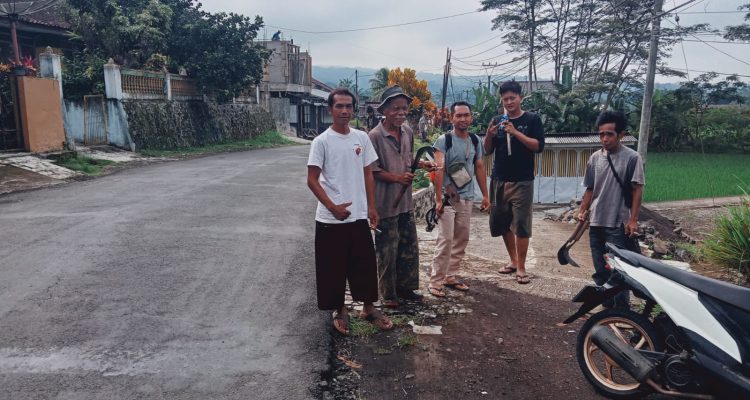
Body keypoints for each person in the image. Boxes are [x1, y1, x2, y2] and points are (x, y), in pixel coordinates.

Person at [307, 87, 393, 335]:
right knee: (332, 267)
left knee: (364, 264)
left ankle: (369, 308)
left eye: (348, 106)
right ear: (330, 109)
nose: (344, 111)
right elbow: (312, 180)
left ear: (354, 109)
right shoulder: (321, 141)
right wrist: (332, 207)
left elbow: (368, 174)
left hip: (357, 216)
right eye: (339, 106)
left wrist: (371, 207)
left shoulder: (361, 138)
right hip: (330, 218)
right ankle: (339, 309)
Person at [368, 85, 435, 308]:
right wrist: (397, 178)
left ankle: (406, 288)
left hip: (405, 202)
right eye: (395, 108)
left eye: (404, 108)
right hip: (385, 203)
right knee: (387, 250)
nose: (401, 113)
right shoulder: (375, 136)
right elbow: (372, 170)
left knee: (408, 247)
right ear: (384, 110)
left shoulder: (407, 131)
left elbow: (407, 159)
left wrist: (422, 164)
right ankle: (388, 294)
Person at [577, 110, 645, 309]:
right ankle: (607, 309)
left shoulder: (632, 158)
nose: (604, 139)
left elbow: (637, 189)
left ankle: (622, 310)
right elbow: (590, 188)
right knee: (600, 269)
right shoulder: (595, 158)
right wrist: (582, 210)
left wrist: (633, 220)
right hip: (596, 221)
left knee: (618, 271)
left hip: (617, 223)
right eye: (601, 134)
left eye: (609, 134)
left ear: (621, 134)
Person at [484, 81, 545, 284]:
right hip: (499, 178)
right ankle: (513, 260)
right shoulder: (497, 120)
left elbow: (538, 146)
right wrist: (489, 135)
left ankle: (521, 267)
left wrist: (516, 132)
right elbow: (487, 150)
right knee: (502, 223)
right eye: (505, 99)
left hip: (523, 180)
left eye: (512, 98)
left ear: (520, 97)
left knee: (521, 225)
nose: (509, 102)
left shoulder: (532, 119)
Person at [429, 101, 490, 297]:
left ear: (471, 118)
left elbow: (479, 167)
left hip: (467, 197)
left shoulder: (475, 141)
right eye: (459, 115)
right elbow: (438, 170)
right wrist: (438, 198)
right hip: (448, 198)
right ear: (452, 118)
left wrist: (485, 195)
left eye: (466, 115)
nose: (463, 119)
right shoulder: (444, 140)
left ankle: (450, 276)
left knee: (462, 238)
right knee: (446, 239)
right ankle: (435, 281)